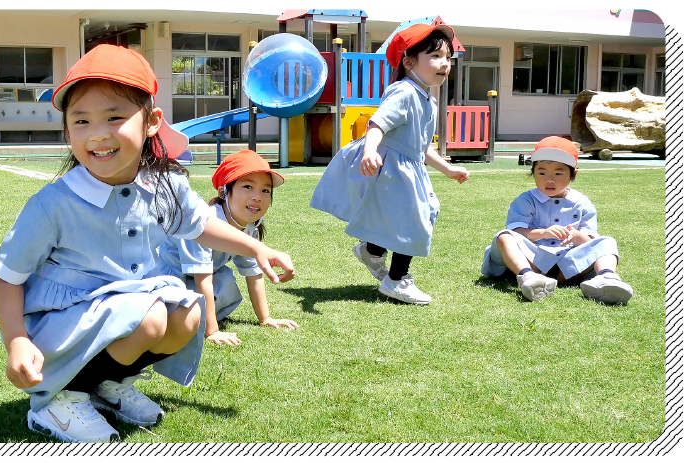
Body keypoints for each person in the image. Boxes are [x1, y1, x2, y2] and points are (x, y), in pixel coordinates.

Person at [0, 45, 295, 443]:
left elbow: (201, 224)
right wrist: (16, 340)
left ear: (151, 121)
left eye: (114, 116)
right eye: (80, 121)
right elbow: (7, 276)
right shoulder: (53, 204)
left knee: (187, 313)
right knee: (150, 316)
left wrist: (256, 248)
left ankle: (106, 386)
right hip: (63, 325)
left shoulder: (164, 183)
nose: (97, 133)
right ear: (67, 130)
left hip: (128, 305)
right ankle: (59, 401)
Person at [310, 23, 469, 304]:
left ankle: (372, 251)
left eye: (447, 57)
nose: (444, 64)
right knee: (412, 219)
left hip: (407, 168)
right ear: (409, 62)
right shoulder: (404, 92)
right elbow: (377, 123)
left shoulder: (427, 99)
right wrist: (370, 151)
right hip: (392, 170)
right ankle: (397, 280)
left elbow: (420, 146)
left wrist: (447, 168)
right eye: (434, 56)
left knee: (413, 214)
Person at [155, 150, 299, 346]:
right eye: (248, 186)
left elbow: (253, 274)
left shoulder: (249, 227)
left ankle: (197, 316)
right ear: (223, 191)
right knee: (173, 315)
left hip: (194, 279)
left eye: (266, 190)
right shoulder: (203, 224)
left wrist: (266, 318)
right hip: (165, 278)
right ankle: (192, 319)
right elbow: (202, 278)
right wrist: (212, 331)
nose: (258, 197)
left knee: (226, 281)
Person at [481, 136, 633, 304]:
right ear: (533, 172)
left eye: (558, 173)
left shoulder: (581, 202)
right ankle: (528, 277)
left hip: (566, 267)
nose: (549, 179)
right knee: (504, 237)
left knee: (607, 241)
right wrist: (542, 233)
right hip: (533, 260)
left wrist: (575, 236)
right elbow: (516, 231)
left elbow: (590, 241)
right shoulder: (526, 200)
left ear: (573, 175)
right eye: (542, 172)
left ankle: (606, 278)